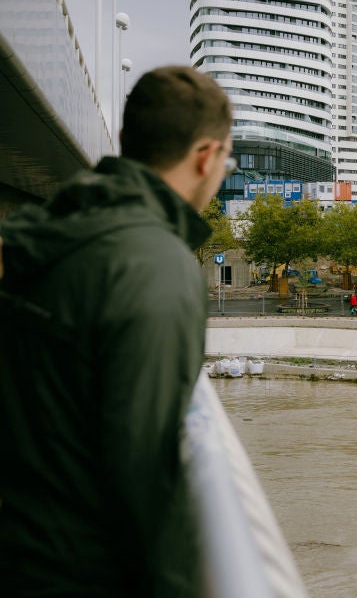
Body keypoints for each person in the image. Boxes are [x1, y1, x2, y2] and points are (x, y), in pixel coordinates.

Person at [0, 66, 234, 596]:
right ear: (205, 157)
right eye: (226, 160)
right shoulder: (156, 267)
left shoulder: (50, 232)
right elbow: (143, 474)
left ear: (126, 141)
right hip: (80, 574)